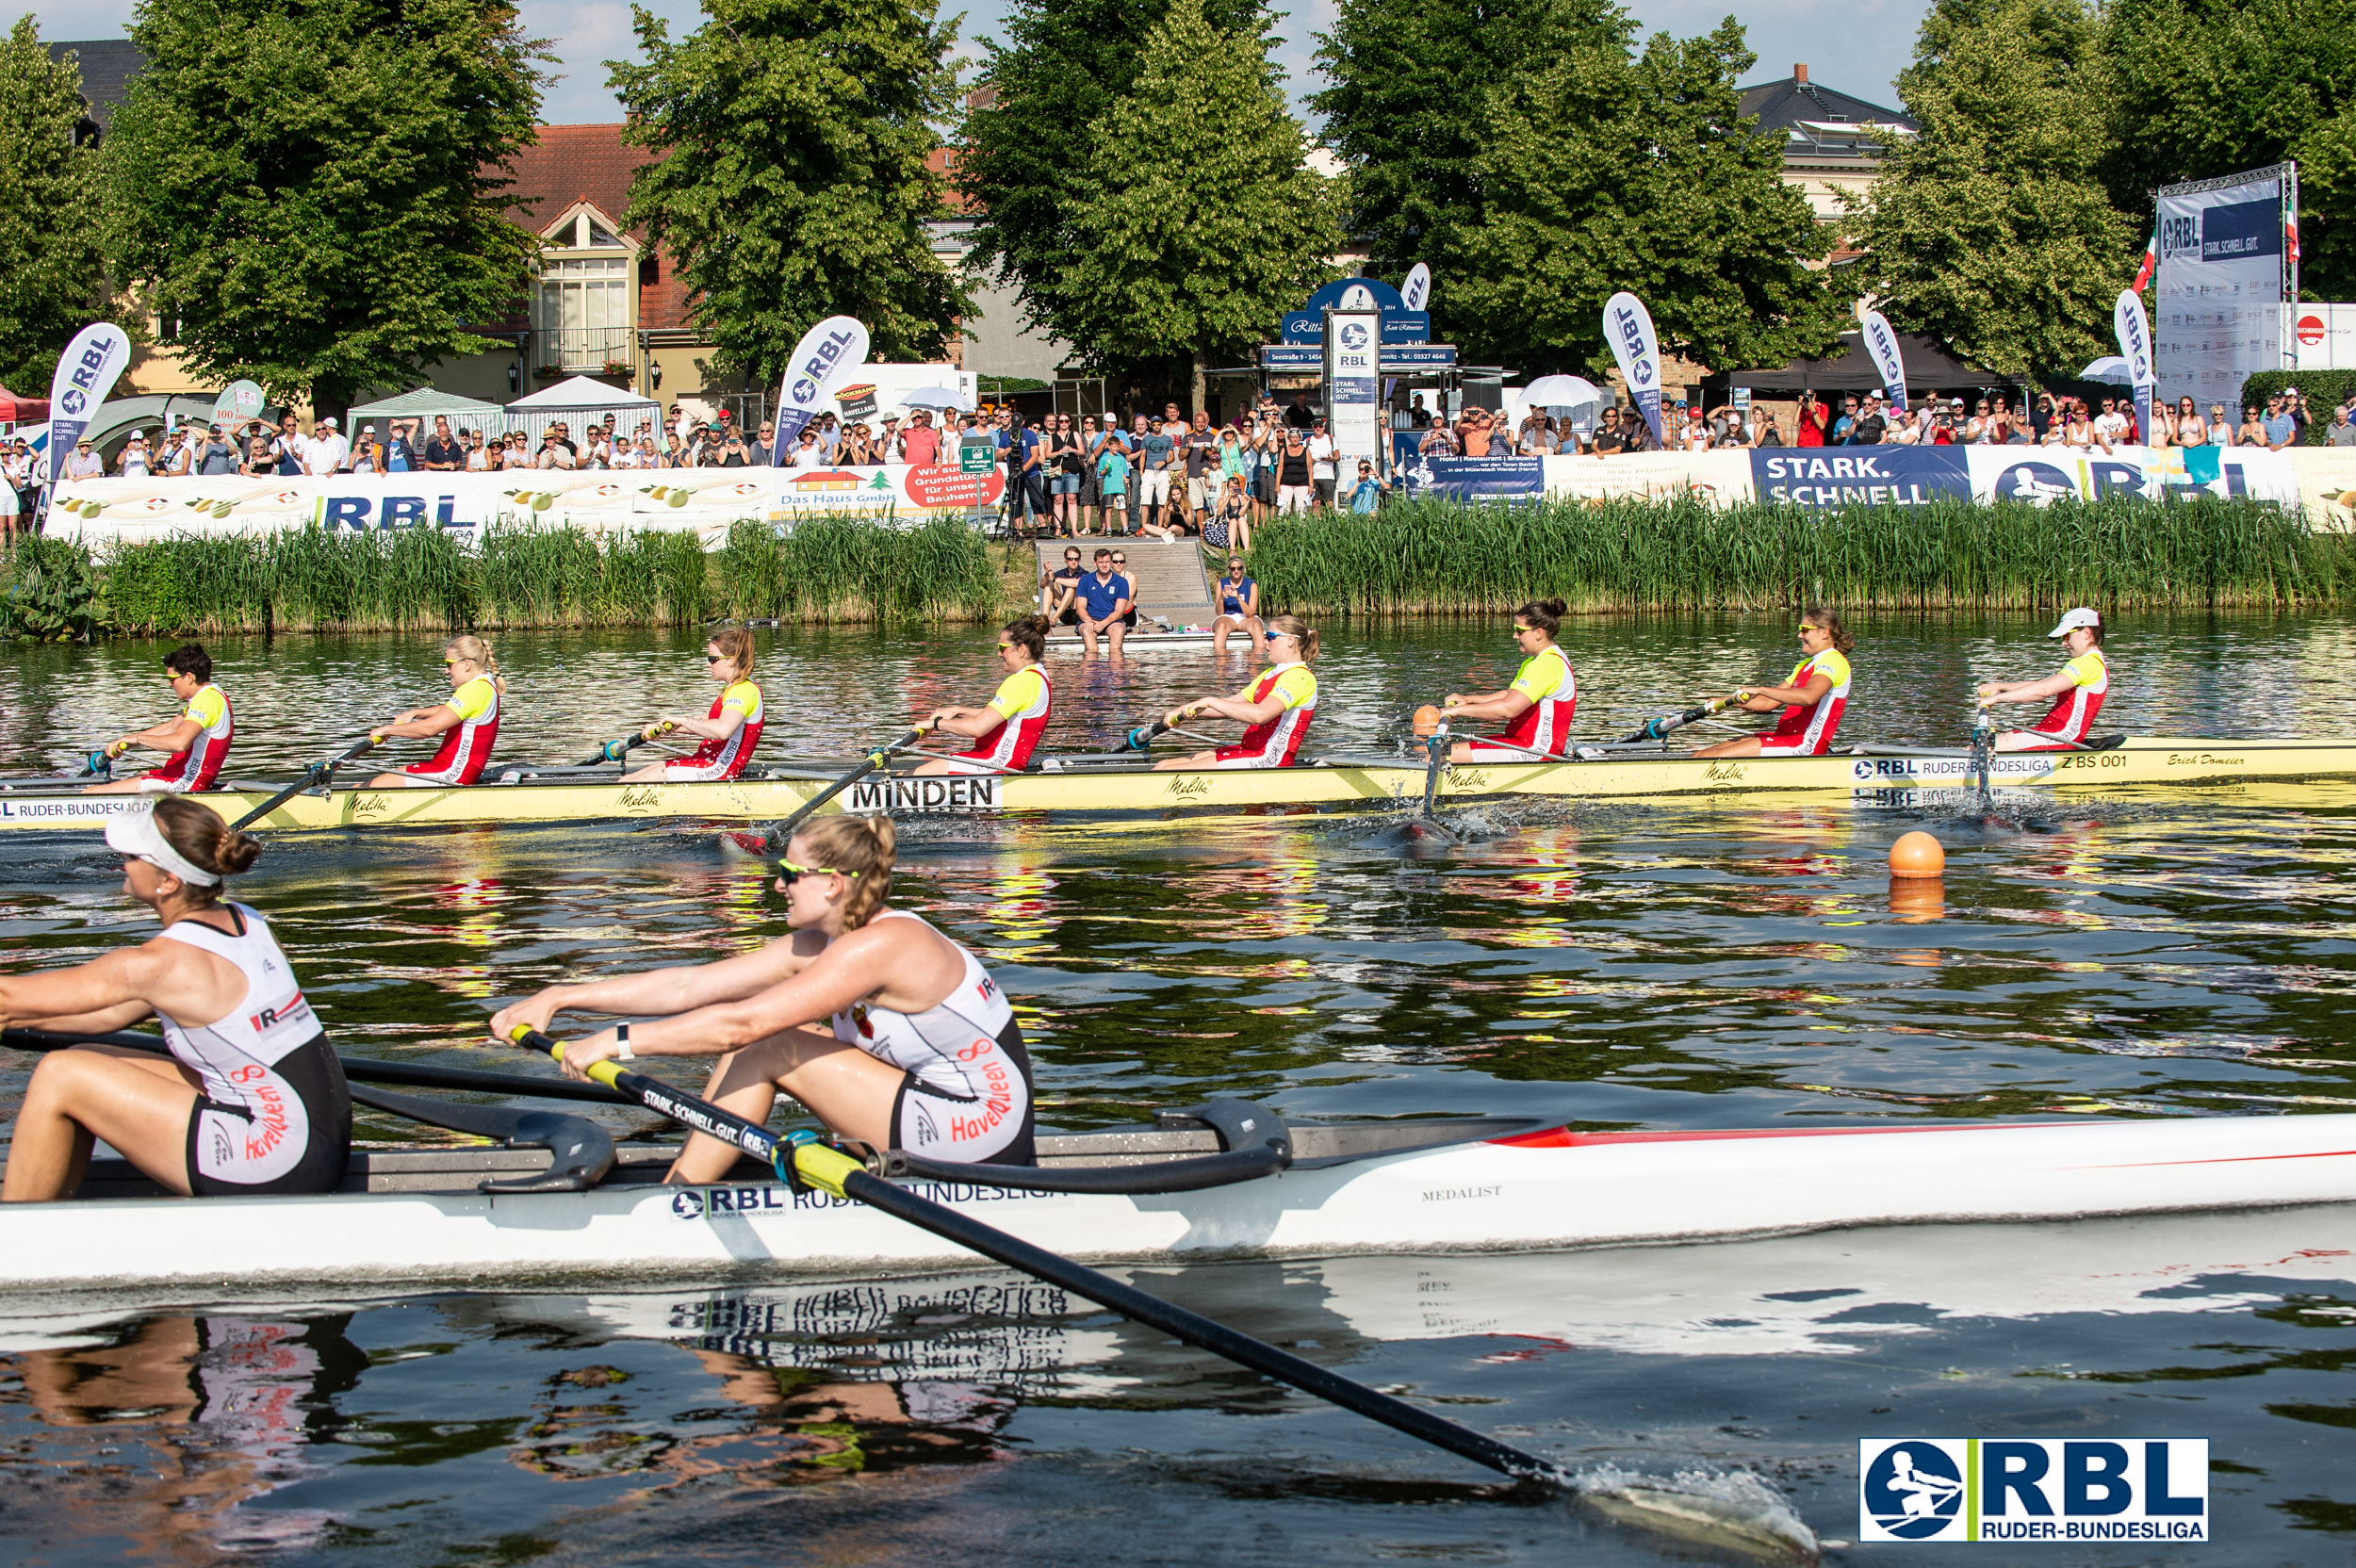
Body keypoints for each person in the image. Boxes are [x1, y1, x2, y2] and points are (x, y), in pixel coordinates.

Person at [489, 814, 1035, 1175]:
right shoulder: (824, 941)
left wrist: (616, 1042)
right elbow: (690, 985)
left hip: (983, 1132)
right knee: (763, 1041)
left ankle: (680, 1199)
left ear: (833, 883)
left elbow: (741, 1025)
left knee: (767, 1044)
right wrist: (560, 995)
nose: (776, 885)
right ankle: (692, 1181)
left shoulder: (883, 944)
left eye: (789, 873)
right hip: (936, 1107)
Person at [0, 796, 351, 1202]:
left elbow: (7, 996)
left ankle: (14, 1236)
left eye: (133, 856)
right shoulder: (247, 920)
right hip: (318, 1136)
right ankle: (53, 1202)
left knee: (62, 1073)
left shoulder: (158, 964)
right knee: (90, 1055)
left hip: (279, 1162)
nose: (121, 863)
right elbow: (106, 1014)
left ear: (168, 880)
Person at [1153, 616, 1320, 770]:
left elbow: (1260, 715)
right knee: (1163, 764)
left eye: (1270, 636)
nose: (1264, 642)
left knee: (1170, 771)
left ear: (1290, 640)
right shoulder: (1270, 673)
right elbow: (1232, 703)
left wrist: (1210, 700)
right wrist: (1182, 709)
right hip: (1250, 751)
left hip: (1271, 760)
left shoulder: (1300, 677)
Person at [1692, 608, 1856, 760]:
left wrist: (1761, 689)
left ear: (1824, 633)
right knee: (1701, 754)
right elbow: (1768, 703)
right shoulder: (1805, 665)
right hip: (1785, 737)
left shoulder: (1833, 661)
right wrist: (1725, 701)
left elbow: (1809, 697)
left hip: (1805, 745)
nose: (1799, 635)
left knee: (1706, 758)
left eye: (1805, 630)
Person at [1434, 598, 1578, 761]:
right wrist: (1468, 700)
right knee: (1447, 750)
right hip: (1523, 744)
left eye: (1520, 630)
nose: (1515, 636)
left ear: (1539, 633)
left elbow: (1508, 709)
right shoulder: (1538, 661)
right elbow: (1508, 695)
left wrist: (1456, 711)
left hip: (1538, 752)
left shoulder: (1547, 664)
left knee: (1441, 755)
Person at [911, 614, 1054, 776]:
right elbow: (1000, 717)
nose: (999, 654)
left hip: (998, 763)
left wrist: (936, 724)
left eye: (1002, 648)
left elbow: (978, 727)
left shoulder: (1022, 682)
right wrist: (957, 711)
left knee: (906, 778)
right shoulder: (1037, 674)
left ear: (1021, 649)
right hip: (998, 760)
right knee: (918, 772)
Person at [621, 628, 765, 783]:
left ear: (731, 659)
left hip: (720, 769)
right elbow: (707, 720)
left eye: (712, 659)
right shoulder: (733, 688)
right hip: (708, 761)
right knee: (630, 777)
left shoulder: (742, 691)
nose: (708, 664)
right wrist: (665, 726)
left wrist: (681, 721)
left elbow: (723, 730)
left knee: (627, 783)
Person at [87, 645, 235, 795]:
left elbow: (179, 743)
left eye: (172, 679)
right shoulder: (212, 695)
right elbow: (172, 727)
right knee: (138, 775)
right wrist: (127, 741)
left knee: (91, 792)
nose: (169, 684)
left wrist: (138, 739)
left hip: (185, 784)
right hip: (181, 777)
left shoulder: (206, 700)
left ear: (189, 677)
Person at [365, 635, 505, 788]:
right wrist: (415, 713)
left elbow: (429, 729)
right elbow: (451, 710)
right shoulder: (485, 685)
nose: (446, 670)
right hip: (453, 771)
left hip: (451, 774)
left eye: (449, 664)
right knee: (387, 778)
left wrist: (387, 730)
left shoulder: (473, 690)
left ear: (466, 664)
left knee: (367, 788)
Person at [1976, 607, 2109, 751]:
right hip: (2052, 733)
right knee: (1979, 746)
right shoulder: (2089, 663)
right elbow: (2042, 685)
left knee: (1981, 747)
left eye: (2066, 636)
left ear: (2086, 633)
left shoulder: (2087, 663)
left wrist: (1995, 699)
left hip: (2061, 736)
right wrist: (2000, 687)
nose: (2064, 643)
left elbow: (2043, 691)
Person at [1071, 547, 1130, 657]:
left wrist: (1103, 623)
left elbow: (1119, 612)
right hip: (1090, 620)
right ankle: (1092, 664)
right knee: (1088, 631)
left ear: (1111, 563)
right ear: (1095, 563)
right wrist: (1088, 621)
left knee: (1118, 630)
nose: (1104, 565)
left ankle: (1116, 666)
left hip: (1112, 621)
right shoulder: (1085, 580)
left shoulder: (1121, 582)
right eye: (1101, 562)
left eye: (1107, 562)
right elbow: (1080, 608)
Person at [1209, 555, 1261, 654]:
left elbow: (1250, 613)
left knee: (1256, 626)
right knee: (1221, 626)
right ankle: (1220, 661)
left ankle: (1256, 662)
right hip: (1227, 617)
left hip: (1245, 617)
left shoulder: (1251, 585)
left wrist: (1238, 599)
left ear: (1243, 569)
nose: (1236, 571)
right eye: (1233, 569)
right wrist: (1221, 598)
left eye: (1239, 568)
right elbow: (1219, 613)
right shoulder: (1221, 583)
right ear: (1229, 569)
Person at [1040, 544, 1085, 624]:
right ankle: (1044, 619)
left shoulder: (1084, 573)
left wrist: (1054, 578)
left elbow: (1076, 583)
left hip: (1076, 613)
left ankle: (1054, 619)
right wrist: (1047, 574)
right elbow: (1042, 585)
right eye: (1070, 559)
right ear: (1065, 559)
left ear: (1079, 560)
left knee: (1071, 588)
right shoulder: (1061, 573)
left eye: (1076, 559)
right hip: (1063, 613)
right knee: (1049, 584)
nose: (1073, 561)